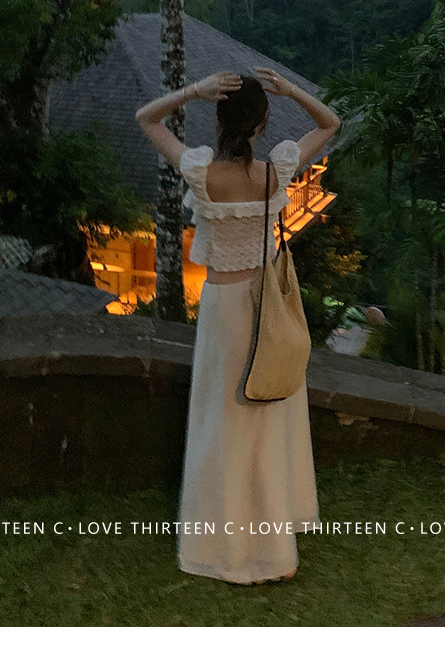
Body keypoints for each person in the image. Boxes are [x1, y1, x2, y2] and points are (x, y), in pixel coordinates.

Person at [135, 66, 340, 585]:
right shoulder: (276, 172)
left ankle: (223, 547)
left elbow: (146, 118)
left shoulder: (201, 173)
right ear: (262, 123)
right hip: (265, 308)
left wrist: (193, 91)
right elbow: (330, 123)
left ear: (219, 119)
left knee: (221, 425)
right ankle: (274, 552)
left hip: (223, 310)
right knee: (265, 421)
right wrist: (292, 89)